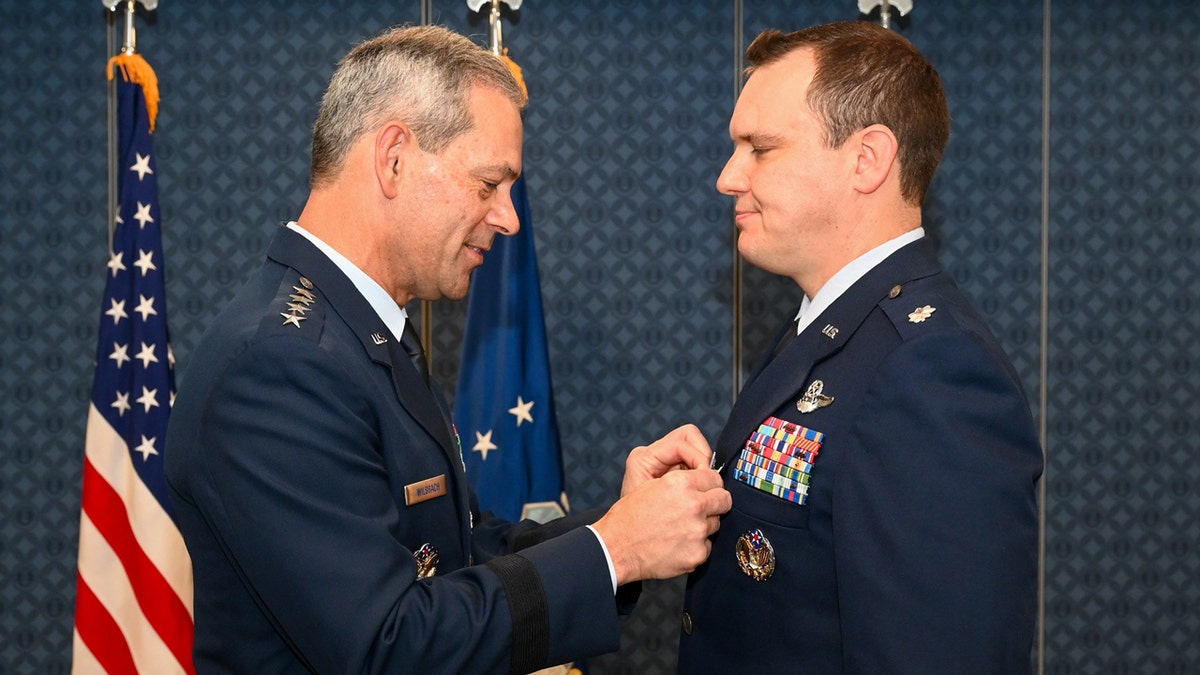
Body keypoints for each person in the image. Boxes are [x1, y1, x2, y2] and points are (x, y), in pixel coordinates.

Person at [164, 25, 731, 674]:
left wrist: (625, 525)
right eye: (488, 185)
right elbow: (389, 646)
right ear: (394, 159)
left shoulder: (358, 330)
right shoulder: (279, 365)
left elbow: (455, 548)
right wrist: (614, 550)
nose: (509, 218)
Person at [677, 21, 1043, 673]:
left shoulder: (931, 368)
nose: (728, 177)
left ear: (867, 159)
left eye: (760, 148)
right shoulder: (832, 324)